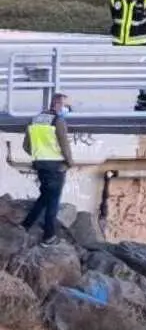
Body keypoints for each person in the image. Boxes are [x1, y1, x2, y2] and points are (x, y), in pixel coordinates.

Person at [20, 93, 74, 247]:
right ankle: (48, 237)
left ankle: (26, 225)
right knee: (53, 202)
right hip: (56, 167)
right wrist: (70, 162)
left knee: (44, 196)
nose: (67, 110)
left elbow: (26, 146)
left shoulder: (34, 120)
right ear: (58, 104)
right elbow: (64, 145)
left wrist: (40, 155)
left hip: (40, 165)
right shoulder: (58, 121)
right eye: (66, 106)